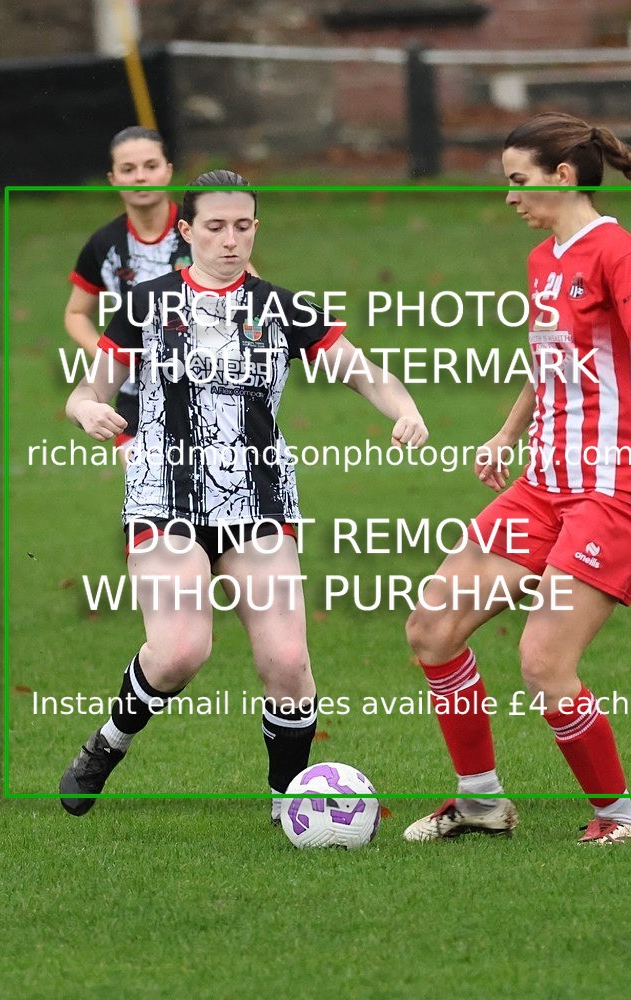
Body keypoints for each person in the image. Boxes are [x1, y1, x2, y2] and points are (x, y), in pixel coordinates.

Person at [59, 171, 428, 818]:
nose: (230, 240)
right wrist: (86, 412)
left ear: (254, 227)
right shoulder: (146, 303)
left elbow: (366, 374)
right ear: (185, 232)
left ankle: (291, 804)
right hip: (162, 496)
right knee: (179, 652)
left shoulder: (282, 308)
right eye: (214, 227)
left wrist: (405, 409)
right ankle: (107, 744)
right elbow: (87, 391)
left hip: (256, 502)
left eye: (242, 226)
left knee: (287, 662)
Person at [403, 112, 631, 845]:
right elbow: (550, 359)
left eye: (516, 181)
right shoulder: (542, 260)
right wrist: (506, 431)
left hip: (611, 487)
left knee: (542, 661)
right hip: (543, 481)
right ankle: (479, 803)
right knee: (432, 628)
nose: (507, 197)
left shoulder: (616, 251)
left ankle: (618, 820)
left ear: (562, 178)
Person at [64, 126, 188, 459]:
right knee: (147, 506)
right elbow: (76, 313)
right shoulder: (105, 244)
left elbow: (253, 296)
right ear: (113, 178)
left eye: (151, 166)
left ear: (168, 170)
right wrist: (108, 355)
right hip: (138, 398)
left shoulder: (204, 231)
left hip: (208, 392)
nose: (141, 177)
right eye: (128, 170)